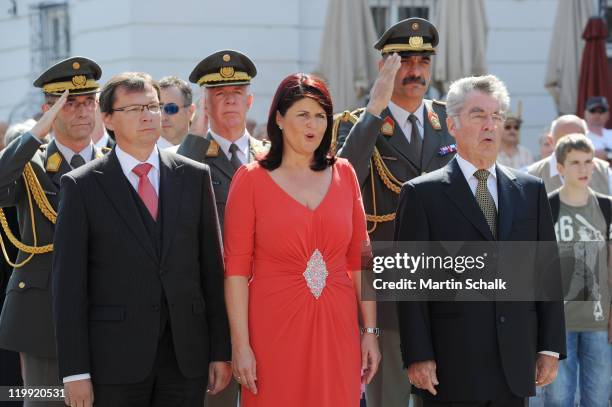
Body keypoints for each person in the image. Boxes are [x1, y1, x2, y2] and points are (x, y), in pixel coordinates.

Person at [52, 71, 232, 407]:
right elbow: (68, 287)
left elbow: (211, 270)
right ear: (107, 118)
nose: (149, 116)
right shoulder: (82, 186)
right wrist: (74, 371)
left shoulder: (194, 176)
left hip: (186, 357)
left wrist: (220, 350)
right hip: (114, 361)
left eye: (153, 106)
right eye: (134, 109)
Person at [395, 75, 566, 406]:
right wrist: (418, 355)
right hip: (449, 367)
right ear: (453, 125)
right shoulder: (421, 194)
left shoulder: (530, 191)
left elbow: (547, 271)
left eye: (497, 116)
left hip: (515, 364)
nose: (491, 125)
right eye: (478, 116)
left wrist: (549, 346)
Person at [224, 73, 380, 406]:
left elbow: (361, 258)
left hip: (338, 327)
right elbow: (236, 269)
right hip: (271, 329)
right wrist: (241, 346)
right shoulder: (250, 179)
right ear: (278, 119)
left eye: (321, 115)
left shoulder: (346, 174)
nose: (313, 125)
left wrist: (370, 332)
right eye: (303, 114)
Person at [334, 17, 455, 407]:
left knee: (445, 394)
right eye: (404, 61)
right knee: (387, 396)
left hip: (443, 284)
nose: (415, 71)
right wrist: (375, 108)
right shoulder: (357, 124)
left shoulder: (448, 121)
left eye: (423, 62)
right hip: (386, 288)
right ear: (384, 66)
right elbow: (343, 177)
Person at [0, 56, 105, 407]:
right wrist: (35, 133)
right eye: (68, 103)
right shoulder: (30, 166)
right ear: (49, 109)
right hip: (43, 317)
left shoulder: (115, 161)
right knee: (46, 402)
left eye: (88, 102)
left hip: (109, 308)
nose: (81, 111)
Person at [545, 134, 612, 407]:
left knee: (597, 398)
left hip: (598, 321)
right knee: (559, 398)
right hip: (558, 325)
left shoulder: (607, 206)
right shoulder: (546, 206)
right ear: (560, 167)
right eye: (575, 163)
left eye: (588, 162)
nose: (583, 169)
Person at [177, 50, 269, 230]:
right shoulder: (193, 154)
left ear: (249, 101)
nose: (230, 100)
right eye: (220, 93)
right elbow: (175, 190)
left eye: (237, 91)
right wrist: (196, 133)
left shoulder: (270, 155)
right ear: (205, 103)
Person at [528, 114, 611, 194]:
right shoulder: (533, 175)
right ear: (551, 141)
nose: (572, 148)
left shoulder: (604, 171)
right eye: (564, 142)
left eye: (578, 142)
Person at [158, 75, 195, 149]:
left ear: (190, 111)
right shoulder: (142, 153)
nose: (163, 117)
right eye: (157, 108)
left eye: (171, 108)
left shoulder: (205, 148)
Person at [584, 96, 612, 162]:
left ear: (608, 114)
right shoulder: (581, 136)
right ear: (585, 113)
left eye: (601, 111)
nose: (597, 115)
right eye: (592, 111)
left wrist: (608, 155)